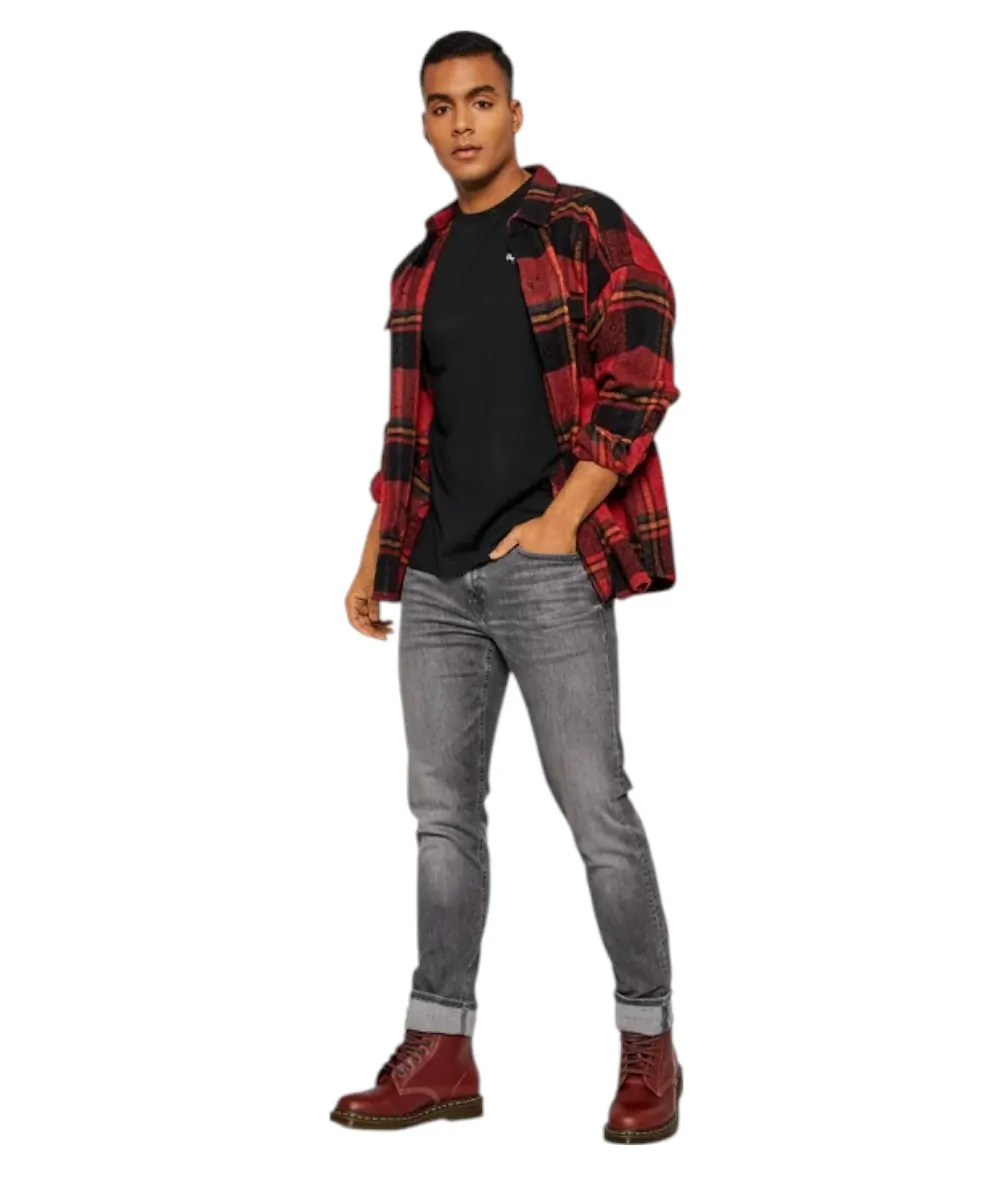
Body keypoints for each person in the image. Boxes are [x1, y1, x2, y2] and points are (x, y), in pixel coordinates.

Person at [332, 30, 683, 1145]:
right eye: (442, 107)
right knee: (442, 820)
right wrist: (375, 552)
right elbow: (411, 432)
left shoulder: (580, 226)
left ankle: (648, 1043)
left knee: (597, 810)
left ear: (515, 113)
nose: (463, 124)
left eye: (481, 101)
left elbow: (642, 371)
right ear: (425, 124)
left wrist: (563, 520)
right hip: (437, 578)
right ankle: (440, 1048)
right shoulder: (419, 268)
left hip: (545, 568)